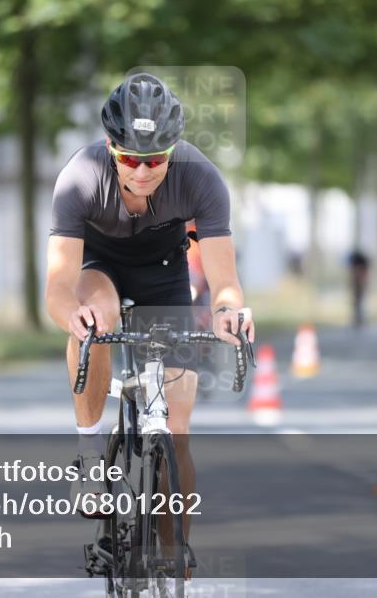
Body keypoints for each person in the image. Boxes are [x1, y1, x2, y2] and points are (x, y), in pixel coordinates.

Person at [44, 73, 255, 552]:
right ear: (110, 147)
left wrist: (229, 313)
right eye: (131, 159)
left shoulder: (201, 177)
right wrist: (72, 318)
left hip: (164, 274)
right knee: (96, 319)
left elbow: (224, 282)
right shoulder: (80, 178)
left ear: (174, 149)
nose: (142, 171)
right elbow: (58, 285)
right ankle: (90, 454)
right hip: (100, 269)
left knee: (176, 432)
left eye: (156, 159)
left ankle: (173, 557)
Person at [347, 248, 371, 328]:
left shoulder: (363, 264)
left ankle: (361, 319)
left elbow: (364, 274)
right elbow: (352, 274)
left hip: (361, 283)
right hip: (357, 284)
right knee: (356, 302)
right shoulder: (355, 263)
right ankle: (357, 319)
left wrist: (364, 282)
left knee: (361, 301)